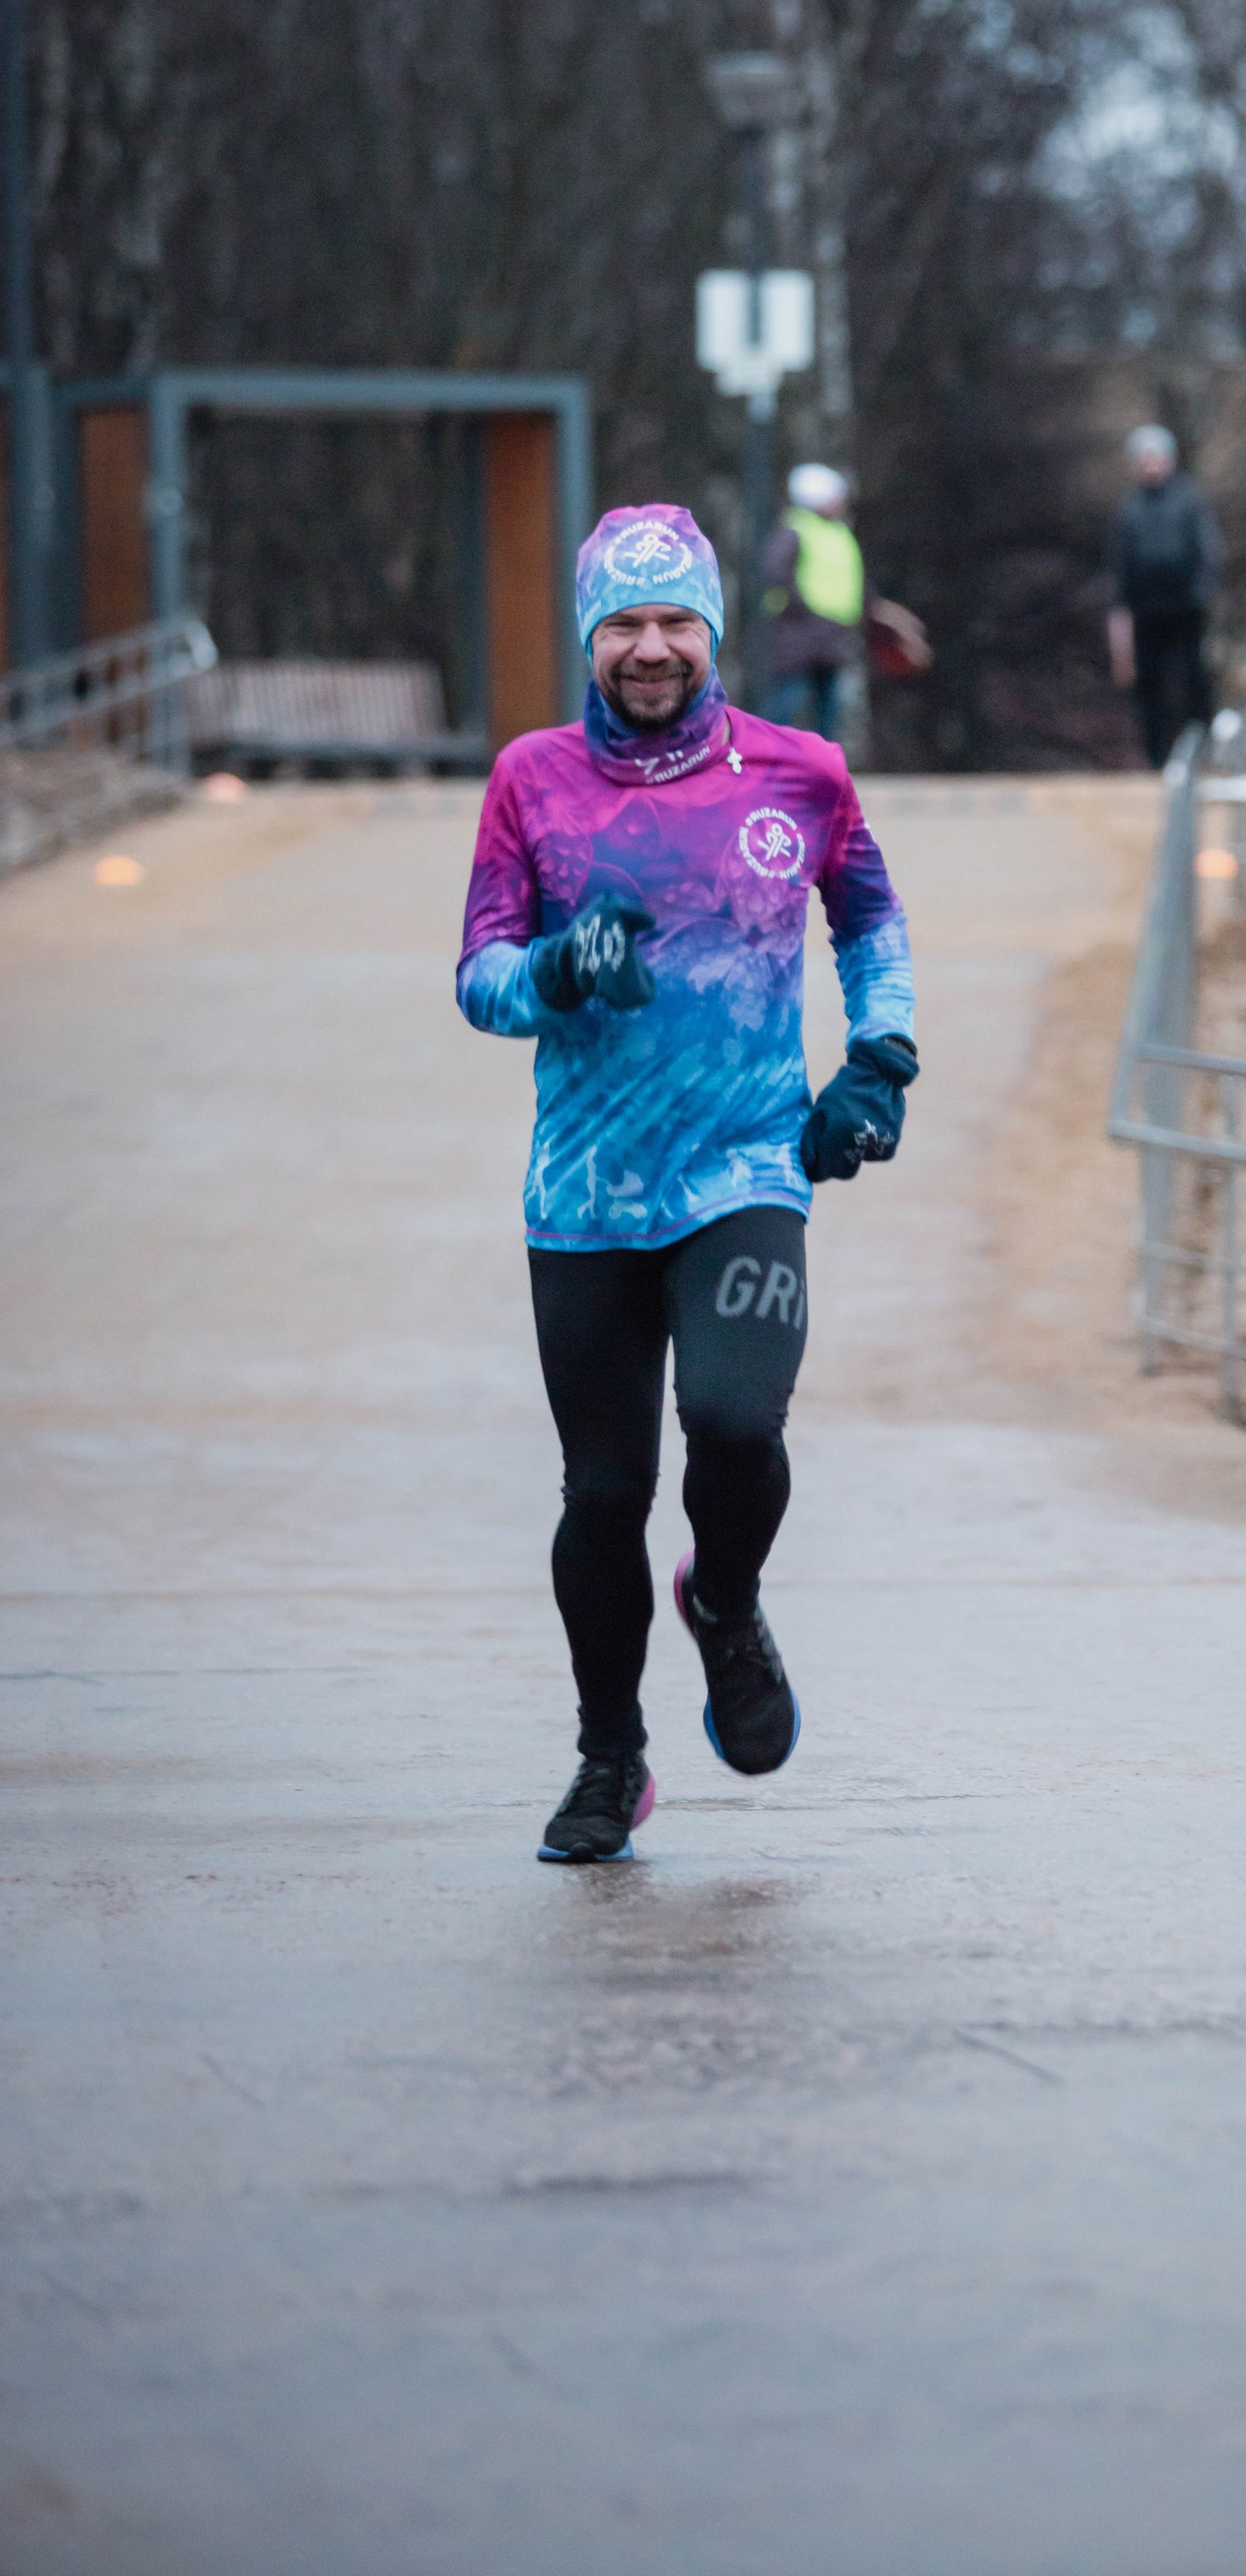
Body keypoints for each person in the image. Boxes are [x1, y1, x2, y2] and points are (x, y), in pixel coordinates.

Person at [455, 501, 918, 1865]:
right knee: (602, 1493)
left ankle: (723, 1597)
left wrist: (879, 1059)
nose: (650, 648)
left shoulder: (801, 772)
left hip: (746, 1165)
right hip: (586, 1191)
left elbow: (870, 919)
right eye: (624, 625)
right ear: (590, 637)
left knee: (734, 1419)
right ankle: (611, 1757)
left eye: (674, 623)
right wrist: (557, 970)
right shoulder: (531, 780)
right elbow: (480, 977)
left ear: (713, 629)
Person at [759, 462, 931, 736]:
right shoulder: (796, 529)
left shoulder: (839, 533)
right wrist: (801, 606)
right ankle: (762, 749)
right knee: (789, 697)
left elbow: (852, 580)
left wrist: (877, 609)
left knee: (828, 705)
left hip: (833, 635)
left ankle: (823, 757)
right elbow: (776, 572)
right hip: (800, 633)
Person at [1106, 423, 1222, 767]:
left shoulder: (1189, 500)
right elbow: (1120, 566)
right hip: (1145, 611)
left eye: (1155, 457)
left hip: (1186, 608)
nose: (1150, 465)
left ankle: (1202, 750)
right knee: (1150, 687)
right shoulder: (1129, 509)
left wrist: (1200, 593)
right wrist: (1120, 615)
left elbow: (1207, 550)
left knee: (1193, 680)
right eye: (1144, 458)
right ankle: (1157, 759)